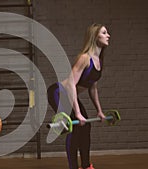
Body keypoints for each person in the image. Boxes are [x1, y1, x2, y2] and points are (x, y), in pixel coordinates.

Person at [47, 23, 111, 169]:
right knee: (74, 126)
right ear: (95, 36)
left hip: (69, 95)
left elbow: (93, 88)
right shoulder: (84, 58)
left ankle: (86, 165)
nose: (108, 35)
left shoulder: (99, 62)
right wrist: (77, 112)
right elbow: (70, 84)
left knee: (86, 126)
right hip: (58, 92)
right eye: (104, 33)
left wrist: (99, 111)